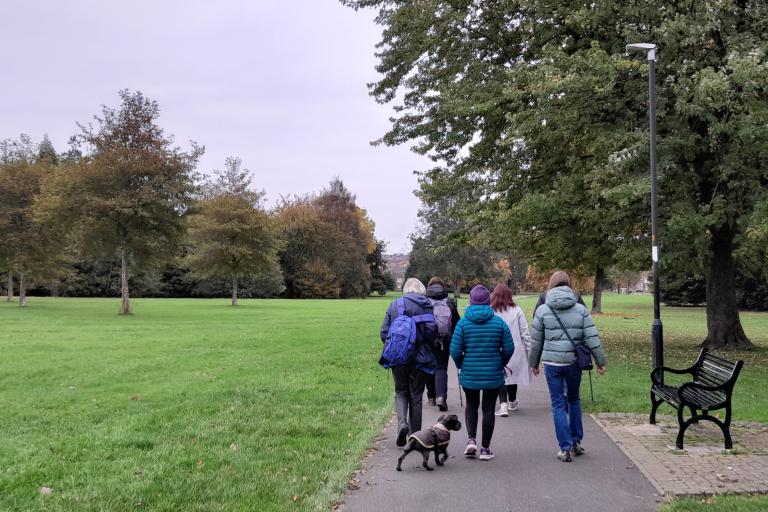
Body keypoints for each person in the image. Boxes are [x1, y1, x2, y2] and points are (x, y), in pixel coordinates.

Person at [528, 271, 607, 462]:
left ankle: (564, 448)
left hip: (552, 364)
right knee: (574, 400)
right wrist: (600, 361)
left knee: (557, 404)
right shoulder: (580, 309)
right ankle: (576, 441)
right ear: (569, 285)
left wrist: (534, 363)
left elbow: (536, 341)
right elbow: (592, 337)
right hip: (573, 362)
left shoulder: (543, 310)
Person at [450, 284, 513, 461]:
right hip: (493, 373)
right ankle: (485, 448)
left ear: (470, 301)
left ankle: (471, 440)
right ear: (488, 302)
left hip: (470, 372)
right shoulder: (499, 323)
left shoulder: (462, 323)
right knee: (488, 408)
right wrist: (501, 362)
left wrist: (461, 364)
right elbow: (509, 348)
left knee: (471, 405)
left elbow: (455, 350)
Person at [380, 277, 438, 447]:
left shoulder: (395, 305)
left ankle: (402, 424)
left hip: (399, 356)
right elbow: (432, 332)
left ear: (405, 289)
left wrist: (397, 346)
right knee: (417, 396)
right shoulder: (427, 305)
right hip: (420, 357)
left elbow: (384, 332)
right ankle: (416, 437)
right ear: (421, 290)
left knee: (400, 391)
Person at [490, 284, 532, 416]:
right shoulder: (517, 310)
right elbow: (525, 332)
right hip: (515, 348)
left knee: (500, 376)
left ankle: (503, 404)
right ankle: (512, 401)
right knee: (511, 376)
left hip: (495, 346)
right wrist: (531, 353)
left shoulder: (491, 311)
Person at [424, 277, 461, 411]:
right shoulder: (450, 302)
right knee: (441, 368)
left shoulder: (425, 301)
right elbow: (457, 322)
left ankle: (431, 397)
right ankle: (441, 397)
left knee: (428, 366)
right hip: (445, 340)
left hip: (428, 339)